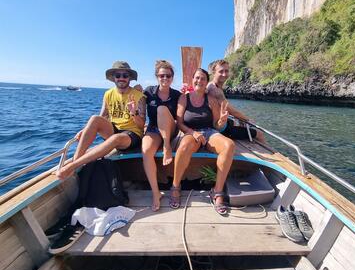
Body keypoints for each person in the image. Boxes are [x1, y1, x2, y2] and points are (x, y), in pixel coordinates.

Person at [56, 61, 146, 180]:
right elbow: (102, 117)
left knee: (116, 138)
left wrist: (133, 112)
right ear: (113, 78)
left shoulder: (139, 96)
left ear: (129, 78)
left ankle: (72, 166)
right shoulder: (108, 94)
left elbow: (141, 125)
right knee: (94, 119)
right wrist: (86, 129)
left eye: (125, 75)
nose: (121, 78)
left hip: (131, 135)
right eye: (118, 75)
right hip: (114, 129)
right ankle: (76, 161)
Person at [170, 68, 235, 215]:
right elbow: (179, 123)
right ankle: (175, 186)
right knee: (184, 146)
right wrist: (192, 132)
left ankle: (217, 192)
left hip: (209, 132)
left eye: (203, 78)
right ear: (193, 80)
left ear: (207, 82)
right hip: (190, 132)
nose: (199, 81)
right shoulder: (184, 98)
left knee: (229, 145)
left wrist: (222, 121)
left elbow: (216, 125)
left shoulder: (211, 99)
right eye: (197, 78)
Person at [142, 60, 181, 211]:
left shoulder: (177, 95)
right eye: (161, 75)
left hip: (171, 130)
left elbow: (182, 117)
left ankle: (166, 147)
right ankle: (156, 193)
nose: (165, 78)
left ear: (172, 77)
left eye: (168, 76)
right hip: (154, 129)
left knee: (162, 109)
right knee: (146, 151)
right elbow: (136, 100)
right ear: (156, 77)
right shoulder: (148, 92)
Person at [207, 59, 265, 143]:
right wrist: (248, 119)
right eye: (221, 71)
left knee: (239, 123)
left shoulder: (213, 86)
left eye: (226, 71)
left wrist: (242, 120)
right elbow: (232, 111)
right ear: (214, 73)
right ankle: (269, 151)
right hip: (221, 129)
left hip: (220, 124)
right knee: (260, 133)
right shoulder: (214, 89)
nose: (224, 74)